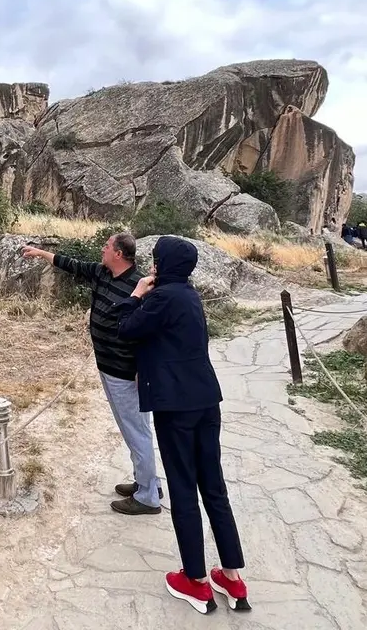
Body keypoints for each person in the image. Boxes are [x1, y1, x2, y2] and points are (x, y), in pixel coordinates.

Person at [116, 235, 250, 615]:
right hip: (206, 401)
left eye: (156, 260)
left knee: (183, 489)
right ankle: (232, 577)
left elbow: (125, 328)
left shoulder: (162, 297)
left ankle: (196, 581)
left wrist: (136, 294)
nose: (152, 265)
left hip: (176, 408)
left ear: (164, 264)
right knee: (214, 488)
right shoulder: (189, 295)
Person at [22, 232, 162, 515]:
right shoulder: (101, 272)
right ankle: (147, 482)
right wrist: (41, 253)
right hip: (107, 367)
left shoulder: (140, 288)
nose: (102, 249)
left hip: (126, 374)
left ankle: (148, 497)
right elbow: (71, 264)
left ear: (118, 254)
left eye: (106, 246)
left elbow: (148, 334)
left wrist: (143, 370)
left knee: (137, 432)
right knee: (134, 430)